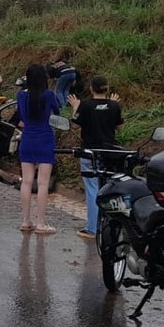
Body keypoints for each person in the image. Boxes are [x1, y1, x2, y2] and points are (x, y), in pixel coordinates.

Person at [68, 75, 123, 241]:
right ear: (107, 89)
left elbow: (75, 125)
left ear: (91, 88)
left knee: (92, 189)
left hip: (90, 153)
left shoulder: (85, 105)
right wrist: (114, 105)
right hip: (110, 154)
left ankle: (92, 228)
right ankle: (113, 227)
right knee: (109, 188)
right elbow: (119, 127)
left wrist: (75, 108)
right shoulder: (114, 106)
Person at [16, 63, 61, 234]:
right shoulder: (49, 94)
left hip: (27, 138)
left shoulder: (21, 95)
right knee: (43, 183)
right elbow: (56, 112)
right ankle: (41, 223)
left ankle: (26, 221)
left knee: (26, 181)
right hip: (45, 139)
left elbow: (21, 116)